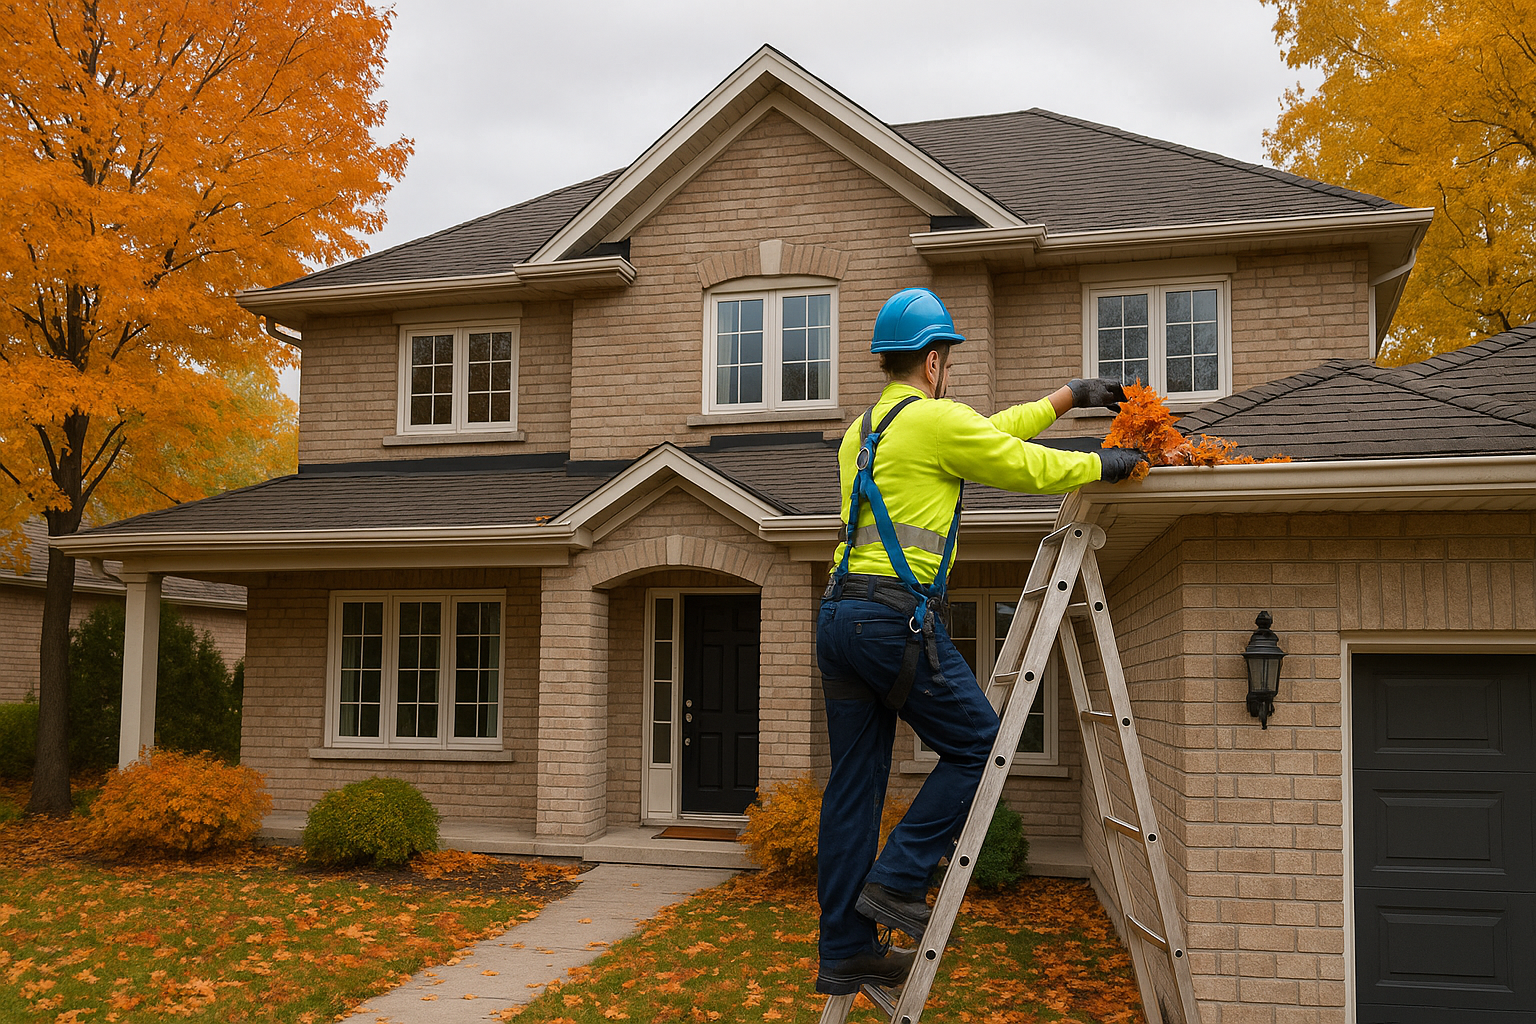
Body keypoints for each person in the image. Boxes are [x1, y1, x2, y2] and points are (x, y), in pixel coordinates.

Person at [814, 286, 1145, 995]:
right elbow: (1013, 463)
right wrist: (1098, 463)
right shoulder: (935, 423)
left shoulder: (864, 430)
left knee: (852, 790)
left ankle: (845, 948)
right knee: (981, 744)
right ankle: (897, 879)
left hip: (838, 618)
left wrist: (1065, 397)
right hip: (890, 619)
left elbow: (987, 431)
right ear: (934, 361)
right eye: (949, 360)